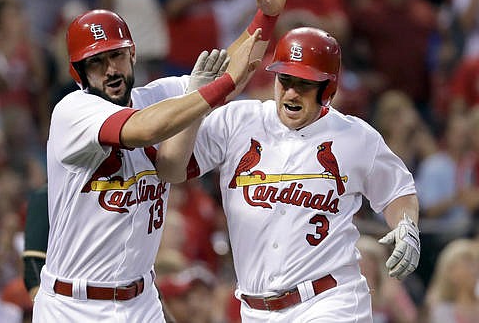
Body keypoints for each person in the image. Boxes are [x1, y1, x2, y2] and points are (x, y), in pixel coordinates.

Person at [31, 0, 292, 323]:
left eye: (116, 56)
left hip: (140, 299)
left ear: (133, 54)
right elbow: (147, 128)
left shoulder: (158, 95)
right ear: (79, 74)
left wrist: (265, 16)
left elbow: (226, 69)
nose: (110, 70)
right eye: (96, 63)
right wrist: (212, 92)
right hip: (75, 304)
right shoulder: (73, 112)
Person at [156, 26, 421, 321]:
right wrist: (196, 101)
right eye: (285, 79)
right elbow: (171, 169)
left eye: (304, 83)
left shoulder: (356, 137)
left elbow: (398, 192)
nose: (292, 91)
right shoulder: (238, 119)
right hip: (255, 309)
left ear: (328, 89)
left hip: (329, 301)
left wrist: (406, 225)